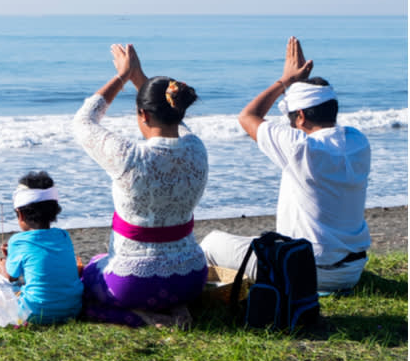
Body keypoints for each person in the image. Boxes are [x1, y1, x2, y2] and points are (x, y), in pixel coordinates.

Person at [200, 36, 371, 293]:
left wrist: (286, 80)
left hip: (303, 271)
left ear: (300, 116)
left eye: (292, 117)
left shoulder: (301, 148)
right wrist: (299, 87)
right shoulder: (358, 141)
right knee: (257, 242)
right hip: (351, 271)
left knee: (212, 242)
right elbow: (289, 123)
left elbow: (248, 117)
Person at [72, 43, 208, 328]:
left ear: (143, 115)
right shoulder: (197, 149)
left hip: (132, 285)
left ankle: (147, 319)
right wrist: (141, 80)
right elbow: (176, 122)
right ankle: (178, 308)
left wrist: (123, 76)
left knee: (80, 287)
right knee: (104, 261)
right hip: (192, 278)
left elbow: (83, 122)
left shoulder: (130, 156)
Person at [0, 171, 83, 326]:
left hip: (34, 315)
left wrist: (2, 266)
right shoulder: (63, 236)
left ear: (21, 215)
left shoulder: (18, 240)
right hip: (72, 310)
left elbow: (12, 276)